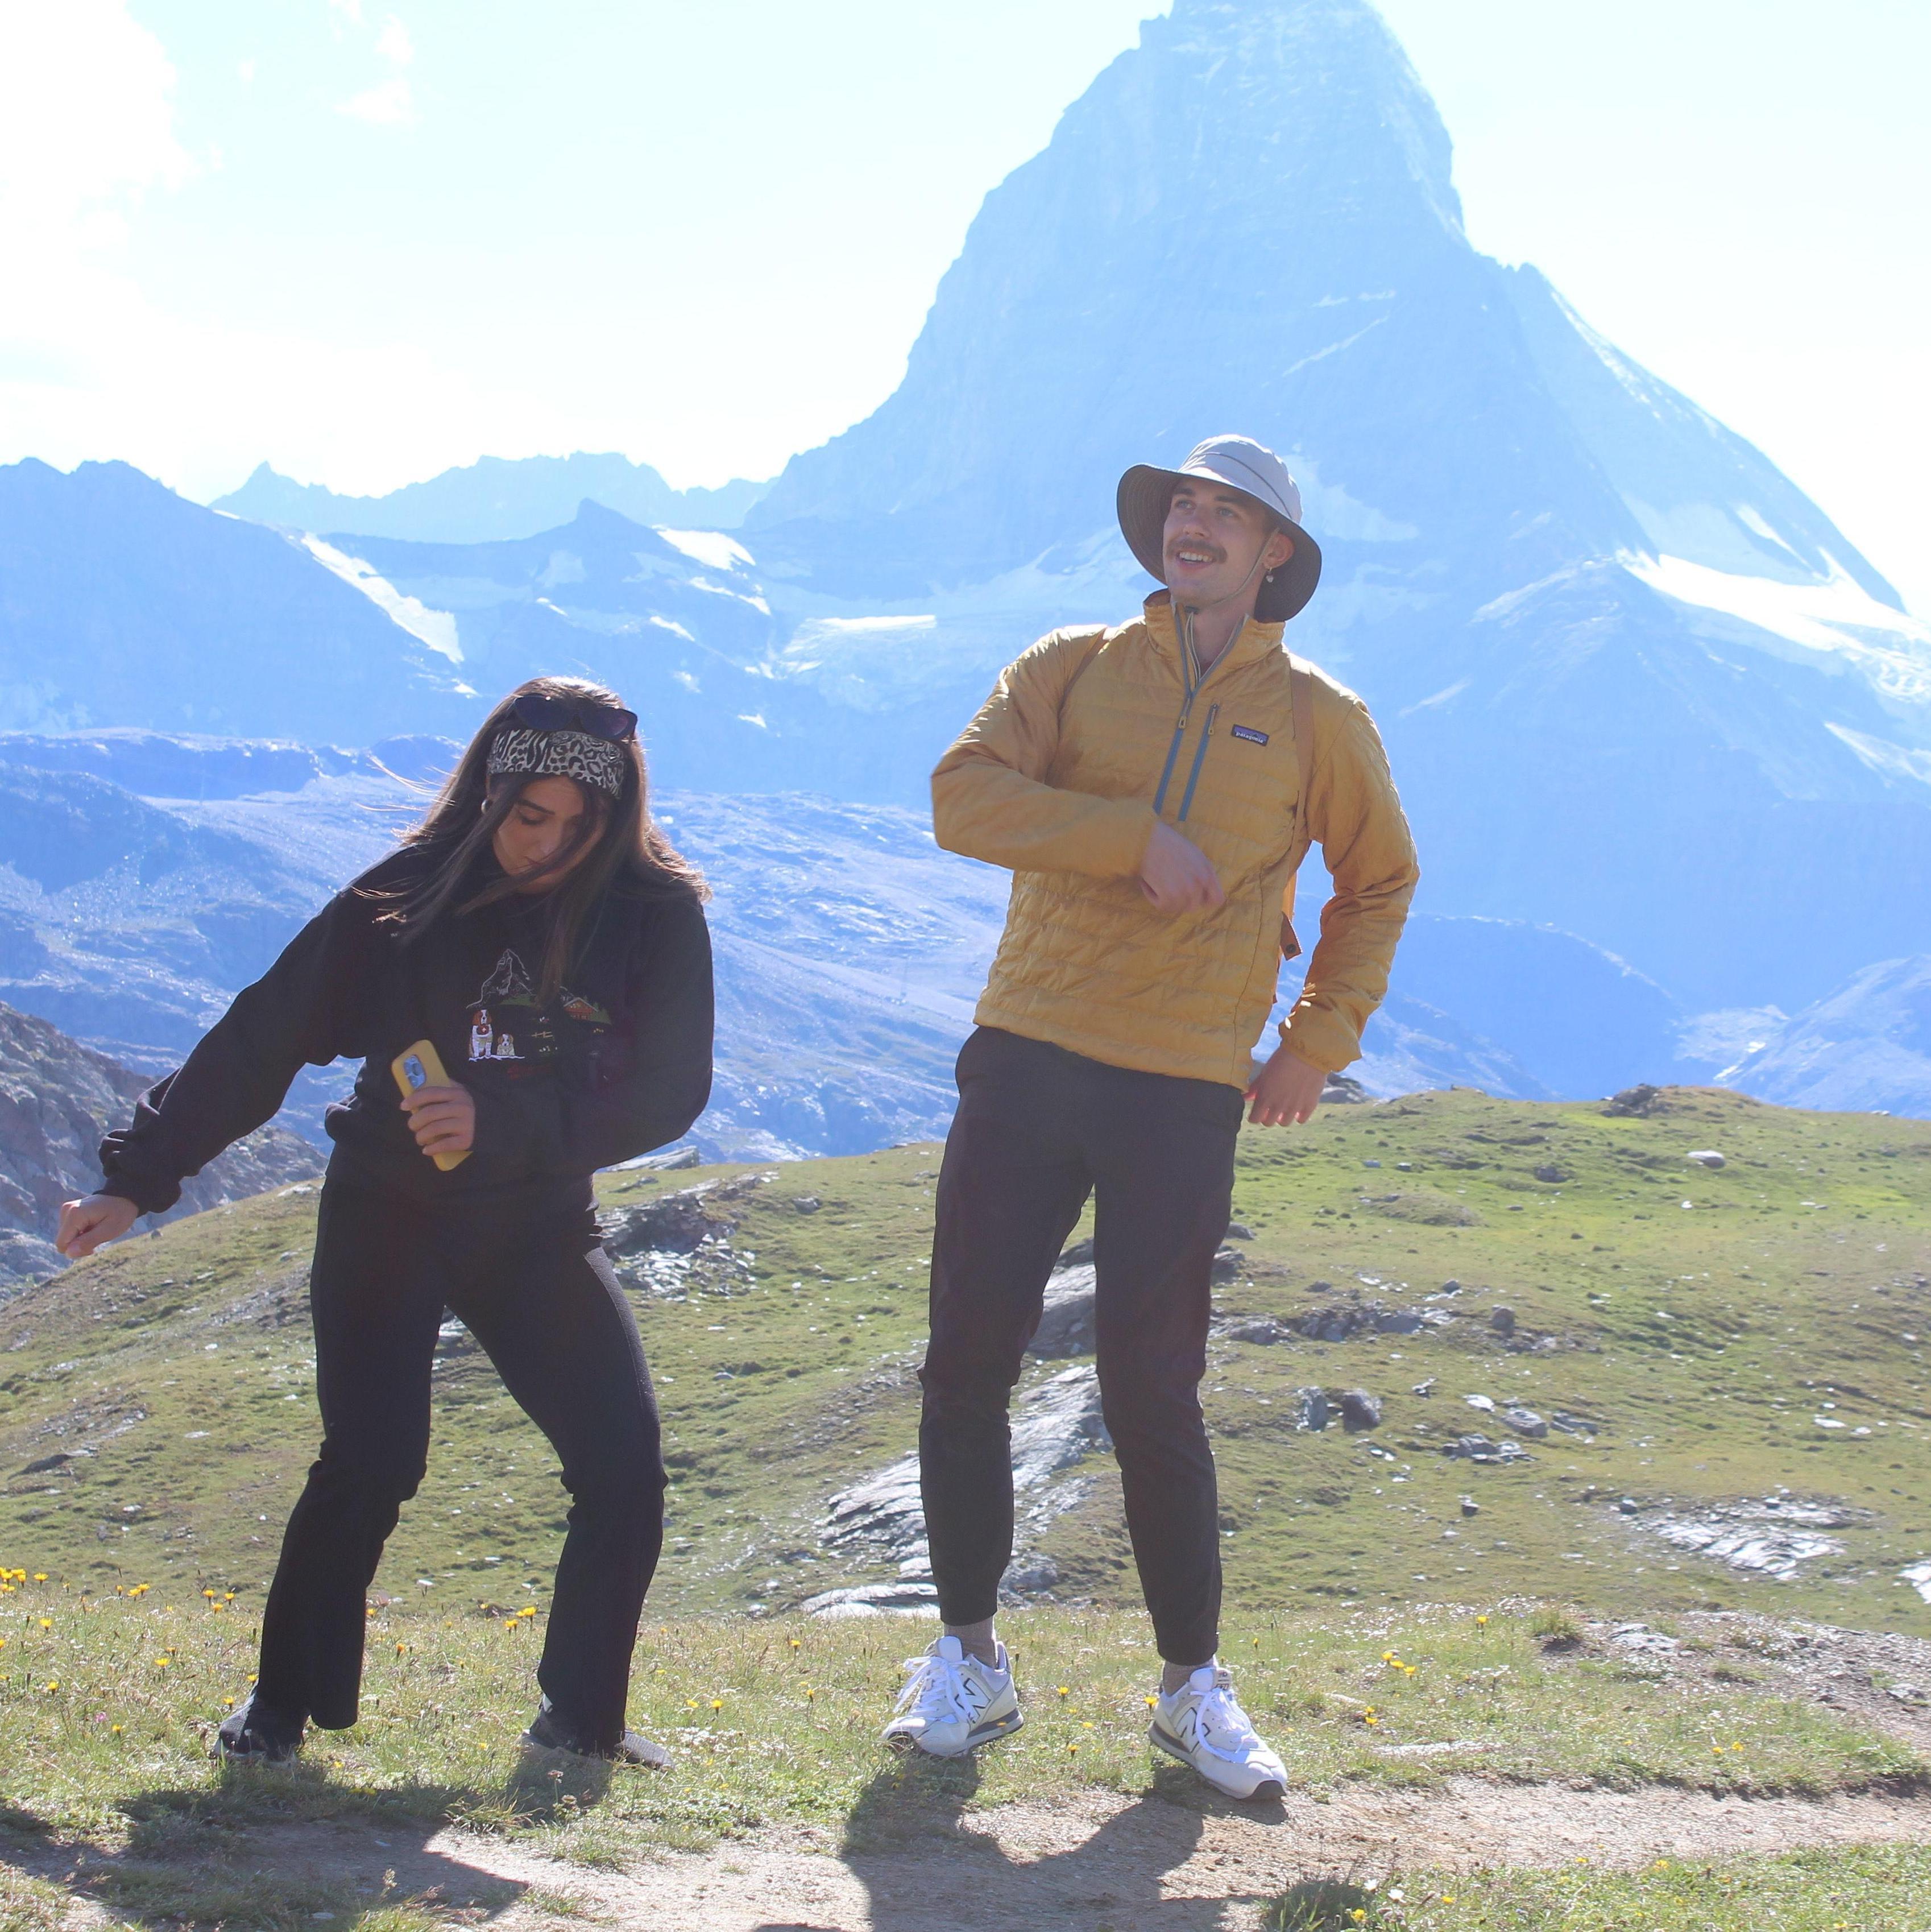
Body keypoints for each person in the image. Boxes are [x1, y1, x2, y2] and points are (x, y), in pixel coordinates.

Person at [884, 437, 1418, 1799]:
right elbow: (960, 797)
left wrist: (1316, 1044)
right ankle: (968, 1659)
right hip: (1026, 1055)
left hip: (1183, 1085)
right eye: (1181, 503)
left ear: (1274, 553)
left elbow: (1379, 882)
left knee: (1152, 1388)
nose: (1194, 523)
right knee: (965, 1364)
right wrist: (1128, 835)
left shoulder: (1319, 717)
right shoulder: (1069, 665)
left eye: (1225, 513)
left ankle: (1192, 1689)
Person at [56, 676, 714, 1767]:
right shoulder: (404, 898)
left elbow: (669, 1092)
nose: (545, 843)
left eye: (576, 824)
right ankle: (277, 1713)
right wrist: (138, 1176)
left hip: (536, 1224)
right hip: (388, 1212)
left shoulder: (654, 914)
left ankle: (581, 1723)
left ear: (614, 820)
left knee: (622, 1463)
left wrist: (501, 1123)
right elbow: (264, 1035)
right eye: (528, 814)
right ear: (489, 794)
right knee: (371, 1457)